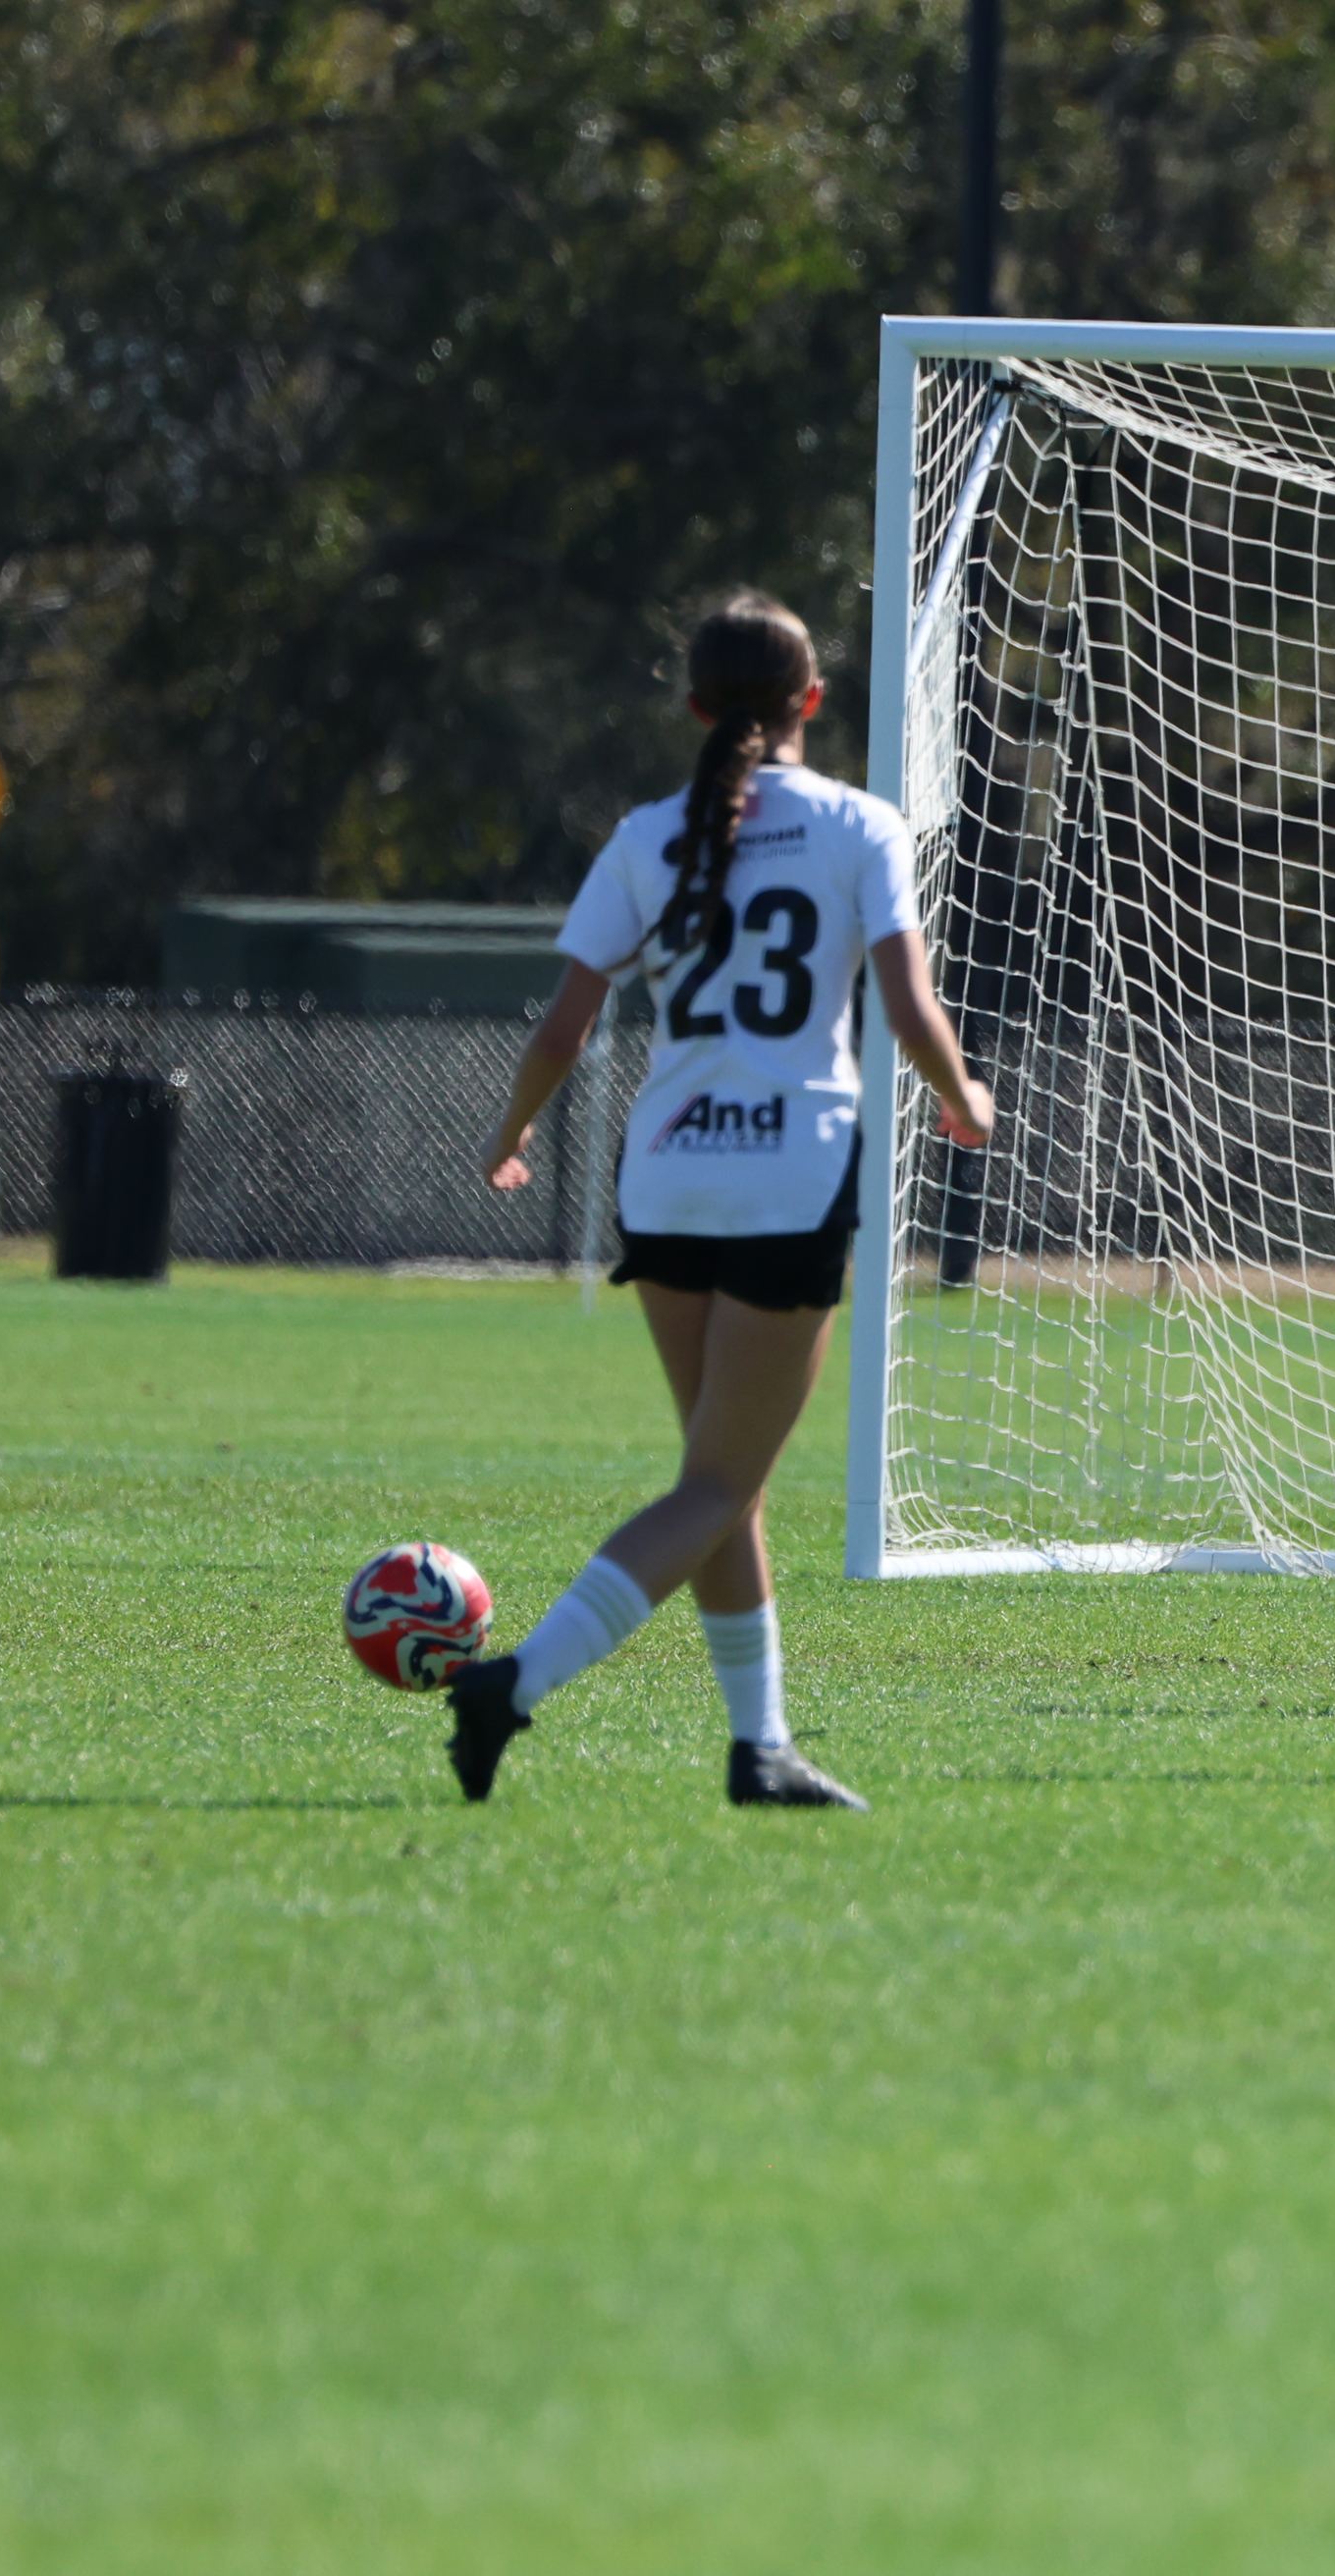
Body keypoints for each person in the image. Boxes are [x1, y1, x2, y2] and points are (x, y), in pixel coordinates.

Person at [443, 591, 994, 1808]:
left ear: (694, 707)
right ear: (813, 700)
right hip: (790, 1175)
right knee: (716, 1484)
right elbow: (909, 1010)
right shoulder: (859, 824)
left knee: (719, 1475)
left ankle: (762, 1746)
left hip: (668, 1175)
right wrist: (966, 1098)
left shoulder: (646, 834)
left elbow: (565, 1027)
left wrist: (509, 1128)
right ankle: (515, 1682)